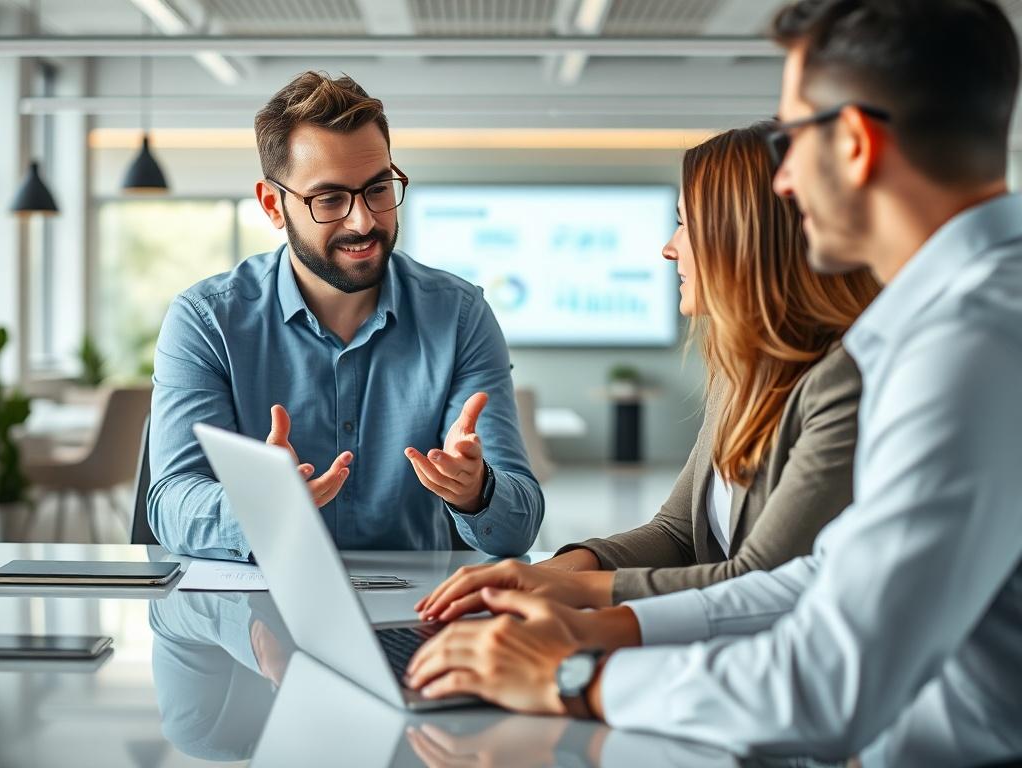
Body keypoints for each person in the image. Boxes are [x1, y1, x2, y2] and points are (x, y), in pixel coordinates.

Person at [405, 2, 1022, 765]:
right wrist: (595, 624)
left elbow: (827, 682)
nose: (785, 179)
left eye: (793, 138)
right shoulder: (937, 326)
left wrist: (573, 678)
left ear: (856, 144)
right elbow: (814, 581)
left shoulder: (970, 344)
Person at [415, 121, 878, 624]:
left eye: (686, 224)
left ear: (743, 239)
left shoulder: (840, 381)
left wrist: (574, 594)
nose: (669, 248)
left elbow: (760, 579)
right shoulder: (737, 375)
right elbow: (677, 533)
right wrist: (560, 570)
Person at [148, 72, 543, 560]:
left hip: (418, 613)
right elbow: (170, 501)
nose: (364, 221)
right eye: (330, 199)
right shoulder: (206, 321)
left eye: (378, 189)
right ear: (274, 205)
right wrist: (259, 509)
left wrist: (476, 490)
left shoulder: (460, 316)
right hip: (255, 607)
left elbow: (518, 526)